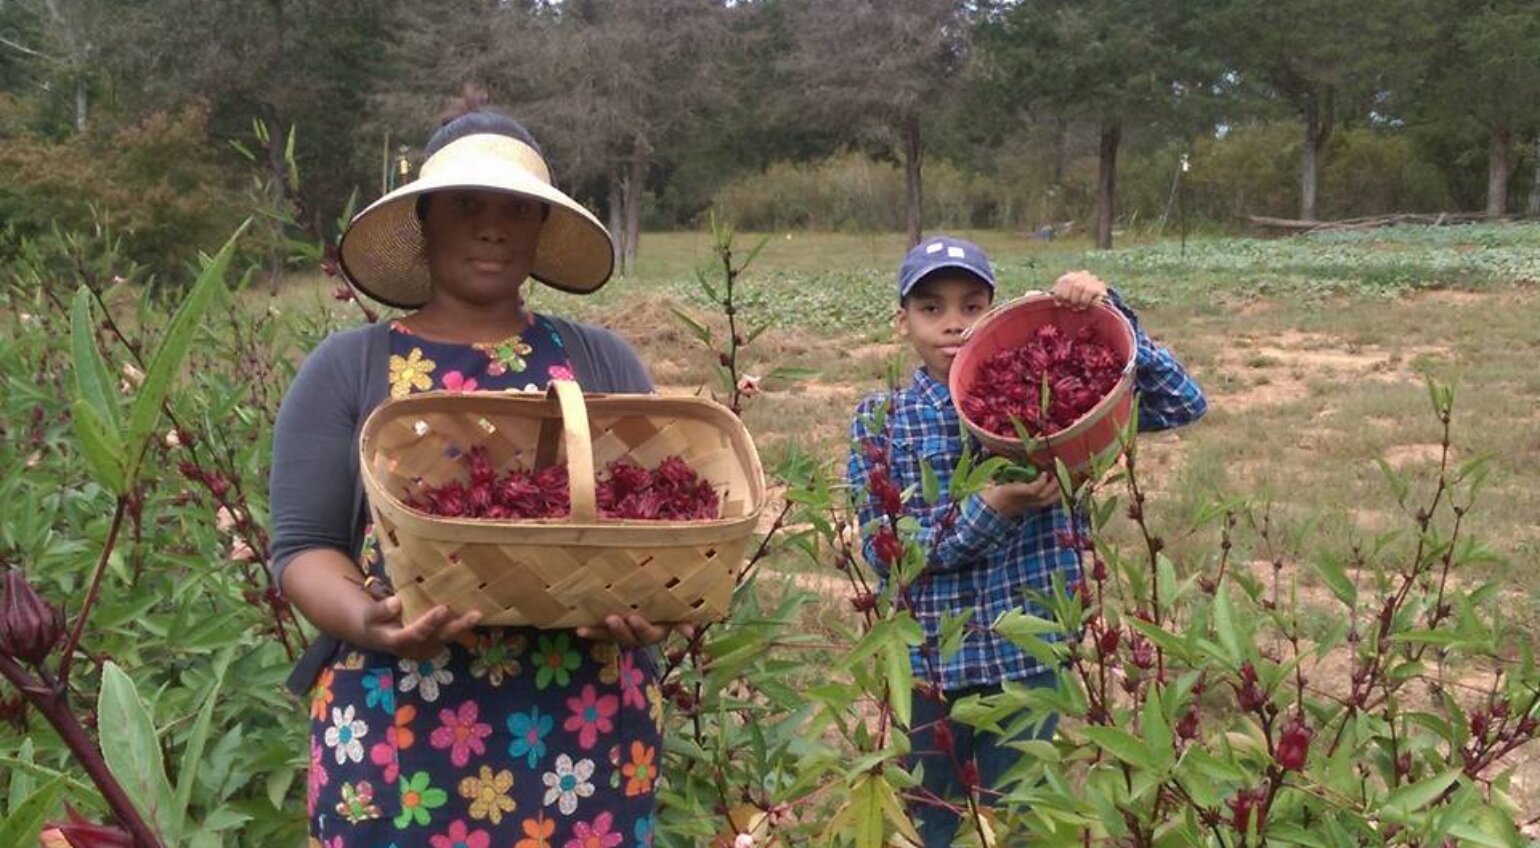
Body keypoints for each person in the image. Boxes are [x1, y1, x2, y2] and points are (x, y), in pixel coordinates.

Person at [270, 107, 676, 846]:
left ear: (539, 230)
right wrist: (370, 620)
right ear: (425, 221)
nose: (493, 226)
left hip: (583, 725)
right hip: (396, 727)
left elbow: (653, 531)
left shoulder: (601, 362)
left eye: (515, 209)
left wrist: (649, 605)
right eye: (467, 205)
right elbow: (302, 547)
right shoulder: (349, 368)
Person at [846, 235, 1207, 846]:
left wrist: (1106, 316)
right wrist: (992, 509)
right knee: (933, 819)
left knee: (1019, 821)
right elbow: (888, 554)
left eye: (971, 305)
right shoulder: (885, 417)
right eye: (931, 308)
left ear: (997, 312)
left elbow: (1182, 403)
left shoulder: (1049, 395)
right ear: (901, 321)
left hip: (1029, 656)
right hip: (934, 663)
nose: (954, 324)